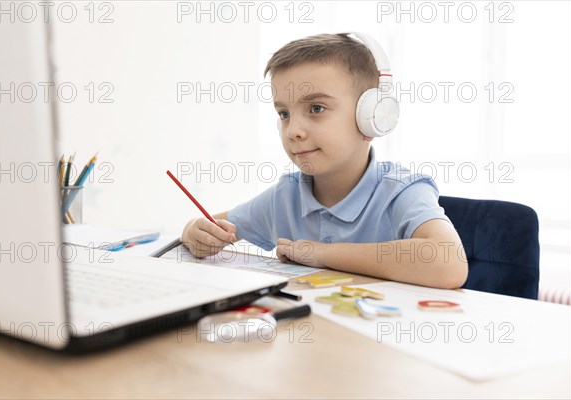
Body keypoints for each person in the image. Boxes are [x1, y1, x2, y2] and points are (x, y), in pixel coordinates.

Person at [182, 33, 468, 289]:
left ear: (371, 117)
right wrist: (194, 230)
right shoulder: (286, 195)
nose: (293, 130)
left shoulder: (401, 190)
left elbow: (448, 265)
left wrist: (320, 253)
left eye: (316, 108)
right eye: (284, 114)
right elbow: (212, 226)